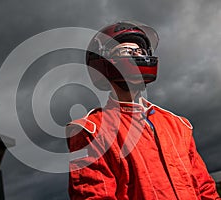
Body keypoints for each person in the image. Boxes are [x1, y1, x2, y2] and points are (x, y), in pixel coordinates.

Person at [66, 21, 220, 199]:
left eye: (139, 51)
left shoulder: (178, 125)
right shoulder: (90, 129)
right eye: (124, 51)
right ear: (103, 65)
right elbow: (94, 195)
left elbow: (205, 188)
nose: (135, 55)